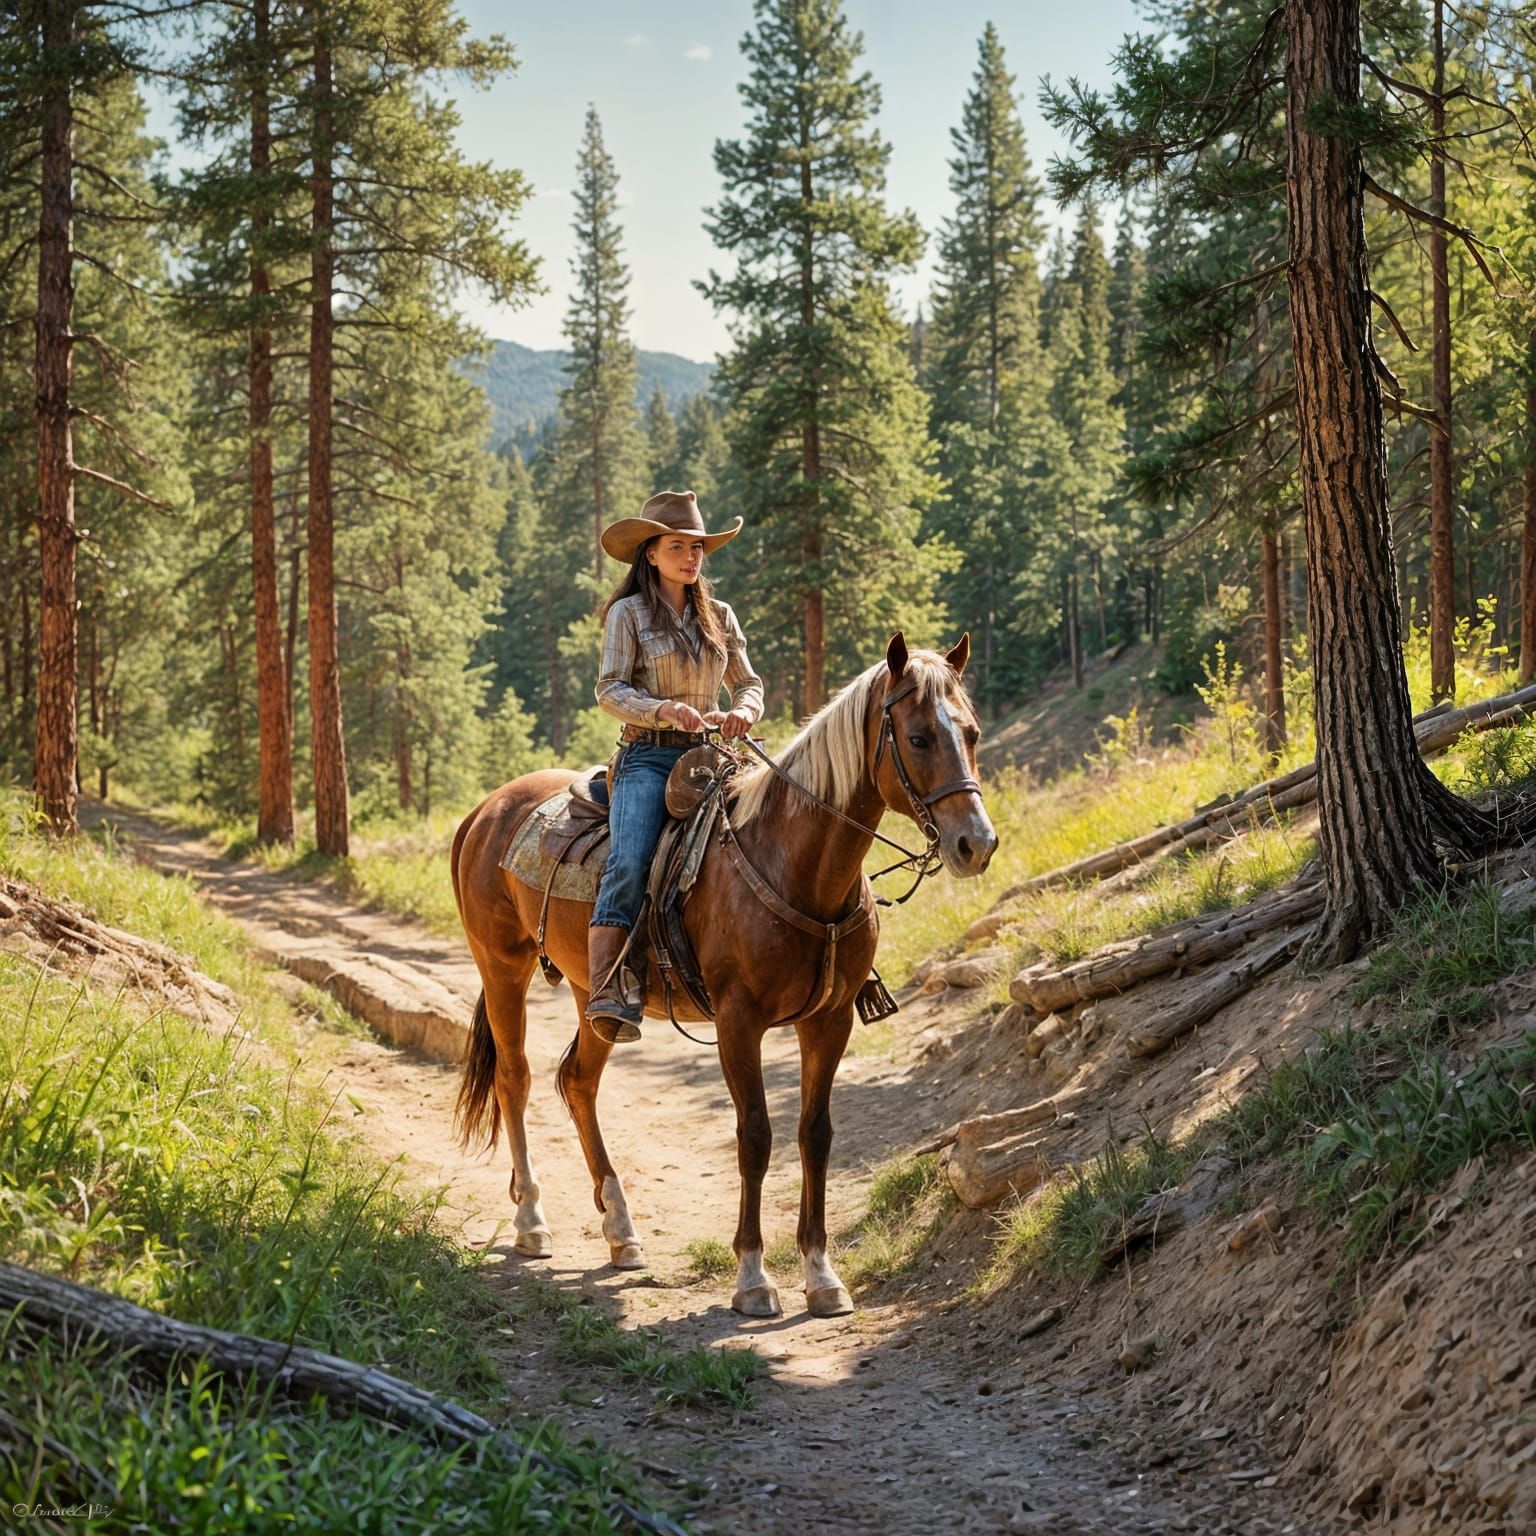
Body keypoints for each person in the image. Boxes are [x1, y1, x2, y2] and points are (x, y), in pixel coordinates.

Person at [586, 490, 764, 1043]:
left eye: (698, 547)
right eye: (678, 546)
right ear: (651, 554)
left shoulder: (721, 616)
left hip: (716, 757)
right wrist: (661, 708)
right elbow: (609, 689)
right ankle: (609, 983)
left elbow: (750, 683)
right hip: (648, 757)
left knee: (783, 830)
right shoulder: (628, 614)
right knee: (630, 859)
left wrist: (742, 712)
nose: (691, 556)